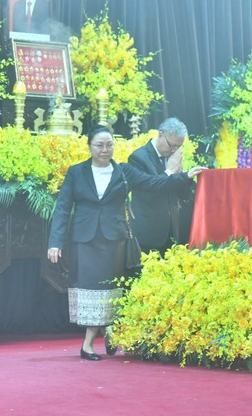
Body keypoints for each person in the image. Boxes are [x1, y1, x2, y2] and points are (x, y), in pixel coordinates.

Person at [47, 126, 204, 360]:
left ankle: (89, 344)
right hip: (84, 239)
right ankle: (104, 332)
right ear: (89, 147)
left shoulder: (124, 171)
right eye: (99, 145)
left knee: (109, 289)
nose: (104, 150)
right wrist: (55, 242)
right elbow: (62, 208)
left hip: (114, 240)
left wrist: (184, 175)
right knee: (91, 290)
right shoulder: (76, 172)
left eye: (109, 144)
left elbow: (152, 184)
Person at [128, 117, 196, 255]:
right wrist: (170, 172)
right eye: (171, 145)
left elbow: (183, 194)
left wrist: (184, 176)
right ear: (160, 134)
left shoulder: (174, 157)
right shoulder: (138, 158)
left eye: (178, 146)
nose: (174, 150)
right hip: (149, 234)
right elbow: (151, 188)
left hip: (174, 232)